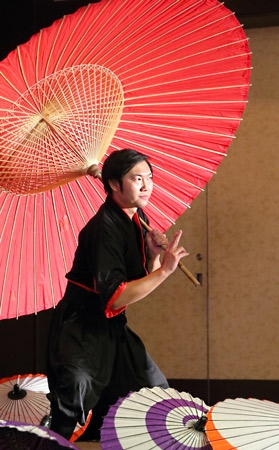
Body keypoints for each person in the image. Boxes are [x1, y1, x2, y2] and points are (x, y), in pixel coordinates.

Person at [46, 149, 188, 439]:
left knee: (156, 396)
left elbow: (135, 283)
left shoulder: (136, 215)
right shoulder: (104, 229)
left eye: (149, 178)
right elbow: (116, 297)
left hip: (112, 328)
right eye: (137, 179)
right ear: (113, 184)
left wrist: (152, 258)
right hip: (81, 328)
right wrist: (164, 272)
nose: (147, 186)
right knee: (71, 405)